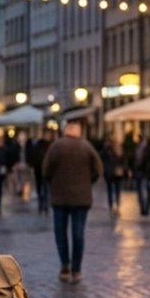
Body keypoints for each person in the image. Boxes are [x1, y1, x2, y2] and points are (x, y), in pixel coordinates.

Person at [42, 120, 102, 283]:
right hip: (81, 198)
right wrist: (87, 182)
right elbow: (98, 169)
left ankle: (64, 266)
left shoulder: (56, 146)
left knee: (60, 233)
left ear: (65, 130)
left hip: (60, 197)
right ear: (79, 131)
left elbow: (46, 170)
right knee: (78, 233)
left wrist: (54, 182)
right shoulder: (86, 146)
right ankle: (77, 270)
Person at [27, 128, 55, 212]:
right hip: (39, 169)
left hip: (44, 169)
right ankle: (42, 202)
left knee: (46, 187)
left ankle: (44, 203)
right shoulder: (42, 145)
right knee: (41, 186)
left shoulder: (50, 145)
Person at [132, 131, 150, 216]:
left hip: (146, 173)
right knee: (141, 191)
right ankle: (143, 208)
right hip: (139, 171)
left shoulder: (149, 148)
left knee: (146, 191)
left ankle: (146, 208)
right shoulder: (138, 147)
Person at [102, 133, 125, 213]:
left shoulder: (106, 148)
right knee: (117, 189)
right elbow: (122, 160)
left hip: (110, 172)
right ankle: (117, 204)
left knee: (110, 189)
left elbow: (103, 160)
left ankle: (111, 205)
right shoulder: (118, 148)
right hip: (116, 171)